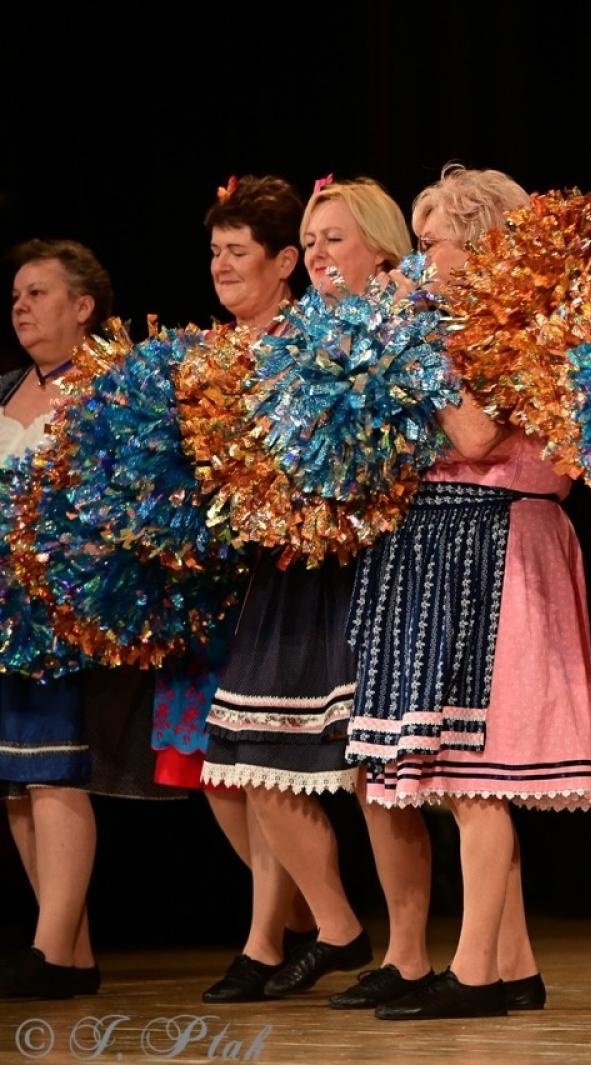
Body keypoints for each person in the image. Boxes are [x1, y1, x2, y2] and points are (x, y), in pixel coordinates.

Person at [343, 164, 591, 1020]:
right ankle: (514, 962)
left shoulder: (528, 323)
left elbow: (479, 432)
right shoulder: (447, 321)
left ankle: (474, 974)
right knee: (456, 770)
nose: (419, 261)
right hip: (439, 539)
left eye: (433, 243)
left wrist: (411, 352)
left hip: (497, 540)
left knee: (476, 777)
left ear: (484, 239)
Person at [200, 177, 416, 999]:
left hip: (361, 565)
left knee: (368, 769)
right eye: (314, 240)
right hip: (290, 564)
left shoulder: (385, 327)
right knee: (252, 756)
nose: (321, 254)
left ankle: (401, 952)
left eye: (333, 239)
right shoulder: (294, 336)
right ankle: (337, 923)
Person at [1, 239, 181, 997]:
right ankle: (70, 952)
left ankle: (48, 951)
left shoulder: (111, 389)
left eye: (38, 292)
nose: (21, 306)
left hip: (68, 611)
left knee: (54, 775)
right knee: (15, 782)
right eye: (15, 294)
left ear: (84, 307)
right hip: (6, 613)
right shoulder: (8, 387)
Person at [175, 176, 320, 1004]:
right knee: (212, 768)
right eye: (215, 252)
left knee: (265, 761)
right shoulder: (205, 353)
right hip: (213, 584)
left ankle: (266, 939)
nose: (222, 266)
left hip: (288, 575)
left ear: (285, 261)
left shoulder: (306, 344)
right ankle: (293, 923)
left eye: (239, 252)